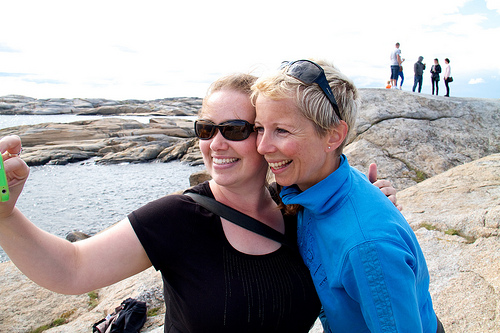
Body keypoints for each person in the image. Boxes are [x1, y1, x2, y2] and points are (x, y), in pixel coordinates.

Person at [0, 73, 399, 332]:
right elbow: (71, 269)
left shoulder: (298, 212)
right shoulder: (177, 218)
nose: (216, 143)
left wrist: (364, 206)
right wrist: (5, 214)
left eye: (236, 129)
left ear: (263, 136)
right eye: (206, 128)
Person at [252, 59, 444, 333]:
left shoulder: (367, 246)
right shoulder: (311, 187)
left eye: (281, 130)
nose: (262, 146)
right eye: (260, 128)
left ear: (333, 136)